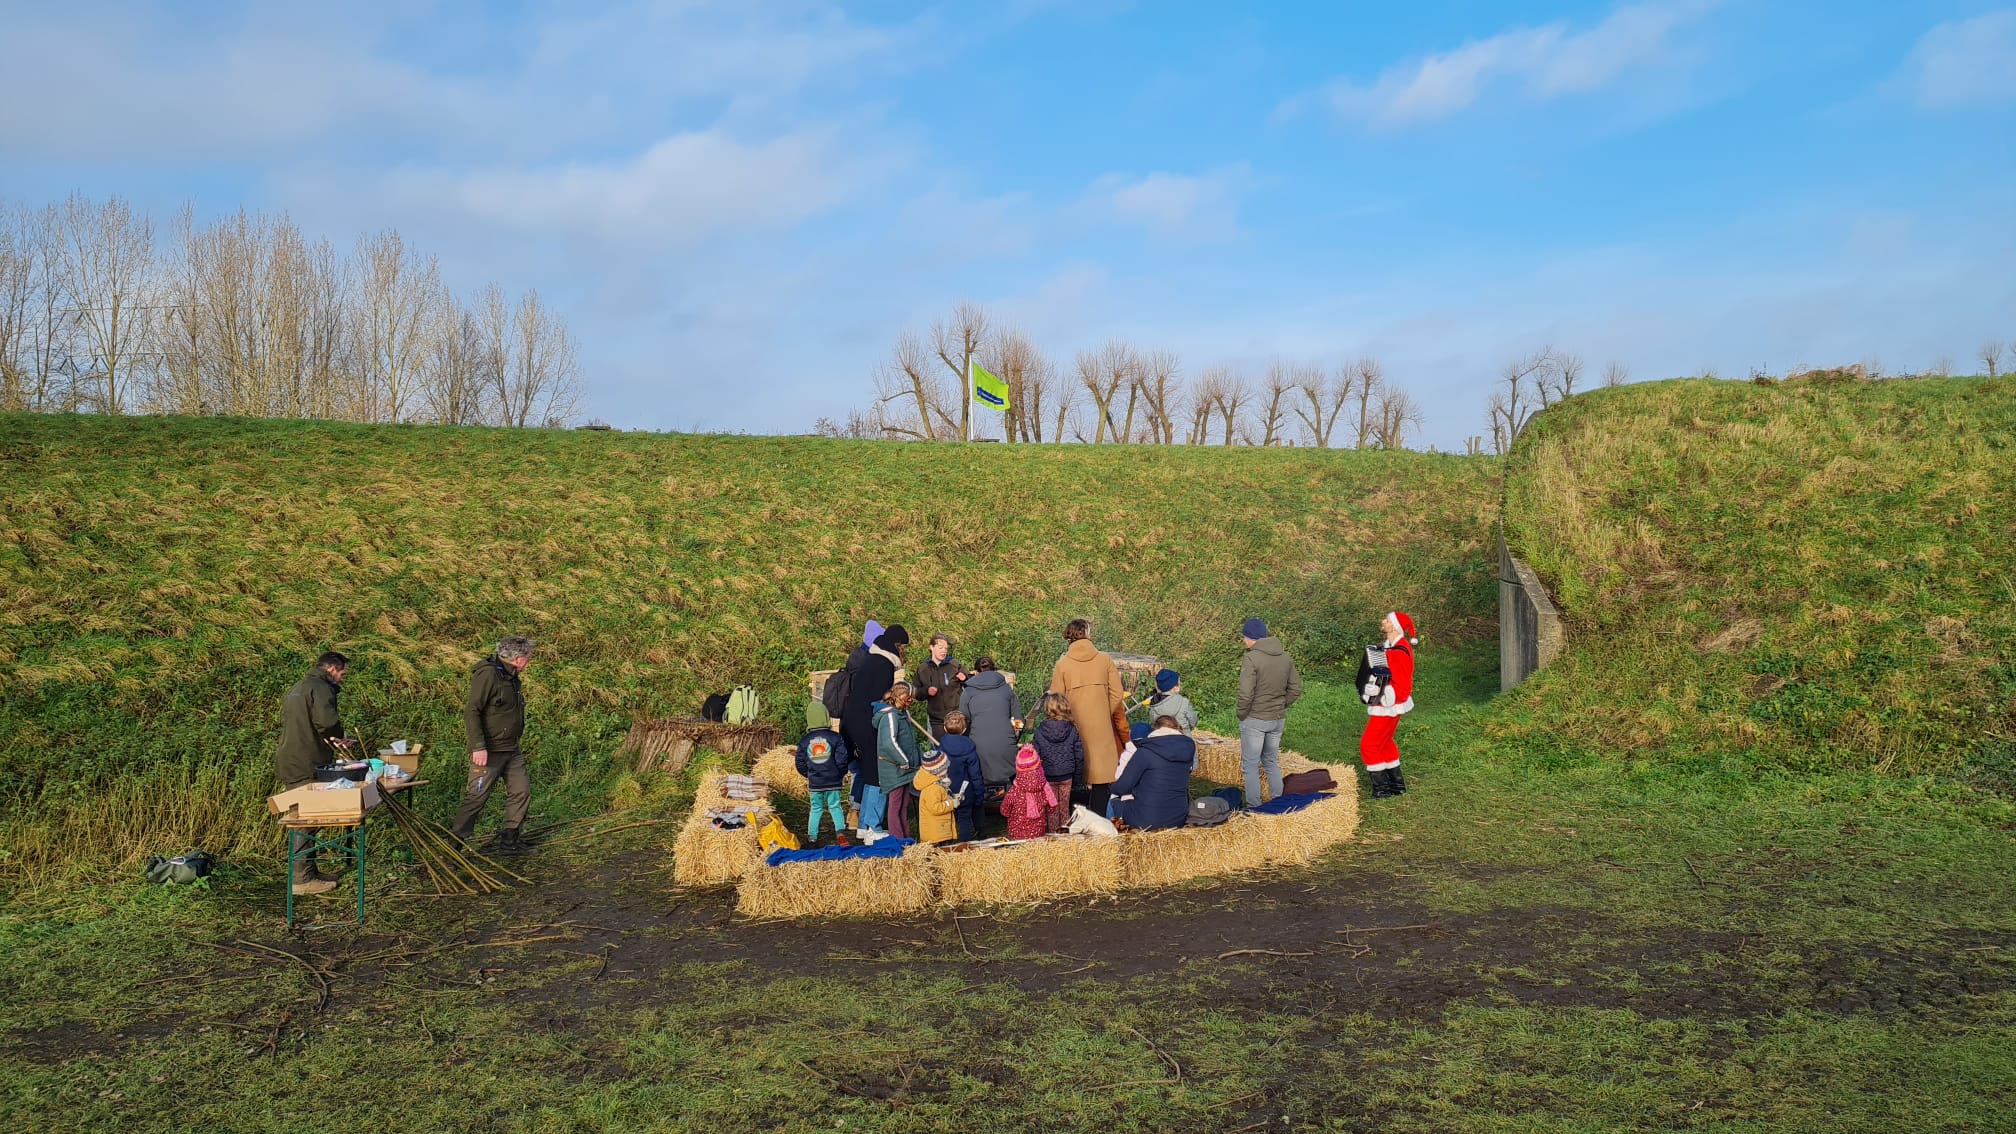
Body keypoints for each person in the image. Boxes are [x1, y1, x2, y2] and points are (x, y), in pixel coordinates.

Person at [276, 650, 352, 896]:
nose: (342, 678)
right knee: (305, 821)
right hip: (306, 763)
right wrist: (340, 738)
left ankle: (310, 871)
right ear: (332, 668)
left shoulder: (299, 686)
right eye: (342, 673)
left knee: (305, 818)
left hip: (291, 758)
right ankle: (301, 880)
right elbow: (326, 722)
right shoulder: (320, 688)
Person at [451, 636, 537, 855]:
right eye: (527, 657)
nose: (529, 661)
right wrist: (478, 746)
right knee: (476, 798)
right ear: (517, 658)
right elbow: (472, 710)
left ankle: (510, 841)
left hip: (511, 749)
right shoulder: (488, 674)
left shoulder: (511, 676)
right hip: (489, 752)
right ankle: (453, 846)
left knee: (521, 791)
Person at [1047, 618, 1129, 819]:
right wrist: (1103, 712)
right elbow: (1117, 693)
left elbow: (1056, 699)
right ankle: (1099, 819)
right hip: (1101, 730)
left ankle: (1076, 822)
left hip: (1072, 728)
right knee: (1101, 779)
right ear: (1087, 632)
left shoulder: (1063, 664)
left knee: (1074, 776)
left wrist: (1070, 718)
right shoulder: (1104, 659)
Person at [1235, 618, 1303, 807]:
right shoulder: (1285, 657)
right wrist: (1281, 705)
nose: (1243, 641)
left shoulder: (1251, 658)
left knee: (1250, 765)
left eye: (1244, 637)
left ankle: (1254, 806)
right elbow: (1296, 688)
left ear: (1251, 638)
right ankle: (1278, 802)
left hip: (1255, 719)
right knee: (1271, 761)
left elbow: (1245, 693)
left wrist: (1242, 713)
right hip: (1277, 719)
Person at [842, 625, 908, 815]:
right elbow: (879, 700)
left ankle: (860, 817)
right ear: (898, 645)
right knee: (876, 772)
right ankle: (871, 824)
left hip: (852, 719)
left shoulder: (872, 659)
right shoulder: (884, 665)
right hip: (864, 721)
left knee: (865, 769)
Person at [1360, 611, 1417, 798]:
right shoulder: (1390, 647)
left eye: (1386, 620)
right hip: (1389, 702)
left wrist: (1381, 694)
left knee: (1368, 744)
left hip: (1389, 704)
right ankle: (1396, 786)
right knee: (1384, 743)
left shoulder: (1399, 650)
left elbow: (1402, 683)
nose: (1382, 622)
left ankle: (1381, 790)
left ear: (1394, 626)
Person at [1113, 716, 1197, 831]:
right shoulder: (1187, 750)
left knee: (1110, 802)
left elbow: (1122, 788)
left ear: (1154, 730)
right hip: (1178, 818)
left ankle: (1106, 836)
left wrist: (1108, 786)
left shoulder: (1145, 751)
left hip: (1146, 820)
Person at [957, 656, 1022, 790]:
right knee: (1012, 782)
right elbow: (1018, 720)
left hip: (978, 746)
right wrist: (1015, 736)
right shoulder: (1006, 689)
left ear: (975, 672)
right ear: (995, 670)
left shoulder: (968, 691)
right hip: (1006, 744)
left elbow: (964, 720)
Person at [875, 681, 926, 840]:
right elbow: (889, 742)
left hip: (906, 768)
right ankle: (896, 839)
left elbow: (910, 741)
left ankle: (906, 838)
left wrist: (920, 759)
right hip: (895, 767)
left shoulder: (902, 714)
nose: (911, 701)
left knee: (903, 805)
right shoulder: (890, 716)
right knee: (895, 805)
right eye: (909, 698)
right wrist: (903, 760)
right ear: (901, 697)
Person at [796, 698, 851, 843]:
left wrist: (808, 774)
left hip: (815, 782)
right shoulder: (835, 738)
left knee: (815, 809)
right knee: (835, 806)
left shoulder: (804, 740)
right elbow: (842, 759)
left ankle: (812, 837)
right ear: (826, 717)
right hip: (833, 780)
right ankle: (840, 833)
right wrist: (841, 773)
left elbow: (800, 762)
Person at [1033, 692, 1082, 833]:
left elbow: (1036, 755)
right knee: (1064, 807)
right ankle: (1065, 835)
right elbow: (1079, 754)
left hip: (1048, 775)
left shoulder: (1040, 731)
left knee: (1052, 808)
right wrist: (1078, 777)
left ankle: (1054, 836)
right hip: (1067, 775)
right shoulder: (1072, 729)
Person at [936, 711, 985, 840]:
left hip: (945, 791)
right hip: (965, 792)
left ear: (945, 728)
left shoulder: (940, 748)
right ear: (964, 729)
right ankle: (965, 846)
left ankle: (946, 841)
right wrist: (979, 794)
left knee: (947, 817)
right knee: (964, 819)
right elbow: (975, 775)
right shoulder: (969, 748)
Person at [916, 633, 968, 740]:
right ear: (931, 647)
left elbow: (969, 682)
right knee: (940, 751)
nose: (944, 651)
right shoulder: (922, 669)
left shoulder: (954, 664)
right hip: (937, 720)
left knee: (960, 749)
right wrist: (926, 691)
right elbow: (916, 693)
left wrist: (965, 678)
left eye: (946, 648)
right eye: (940, 648)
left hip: (956, 718)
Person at [1001, 745, 1055, 840]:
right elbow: (1051, 808)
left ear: (1018, 769)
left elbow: (1004, 810)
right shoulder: (1044, 788)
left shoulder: (1014, 791)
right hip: (1038, 833)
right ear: (1038, 766)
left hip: (1016, 834)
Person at [913, 750, 964, 846]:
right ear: (937, 770)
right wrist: (951, 803)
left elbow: (941, 798)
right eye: (945, 767)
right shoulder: (933, 788)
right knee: (941, 854)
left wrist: (952, 797)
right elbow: (935, 808)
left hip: (940, 830)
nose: (948, 768)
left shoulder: (936, 783)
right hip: (937, 835)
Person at [1146, 668, 1198, 734]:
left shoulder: (1154, 703)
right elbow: (1193, 722)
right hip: (1183, 741)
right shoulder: (1184, 702)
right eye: (1179, 682)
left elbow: (1153, 724)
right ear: (1174, 687)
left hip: (1161, 741)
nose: (1180, 684)